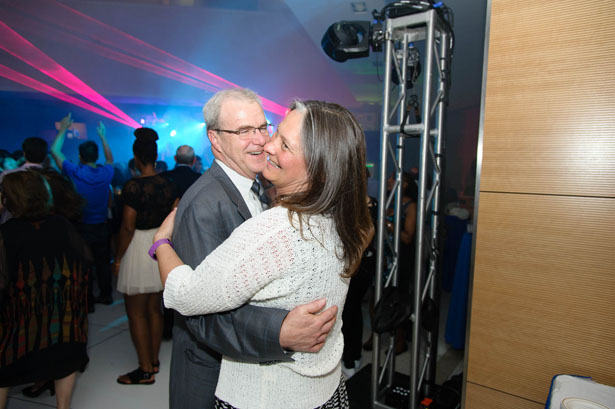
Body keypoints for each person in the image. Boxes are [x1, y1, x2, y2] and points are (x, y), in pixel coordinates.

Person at [154, 99, 373, 408]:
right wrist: (279, 331)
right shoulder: (341, 216)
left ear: (321, 169)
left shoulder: (281, 221)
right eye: (245, 130)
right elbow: (200, 317)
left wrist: (159, 243)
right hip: (321, 389)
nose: (264, 142)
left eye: (265, 130)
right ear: (214, 138)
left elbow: (187, 293)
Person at [0, 170, 89, 409]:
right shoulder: (62, 224)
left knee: (5, 368)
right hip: (63, 312)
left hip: (18, 316)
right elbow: (83, 264)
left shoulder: (7, 233)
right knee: (64, 360)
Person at [114, 128, 178, 385]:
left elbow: (128, 227)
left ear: (136, 157)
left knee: (137, 313)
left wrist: (118, 258)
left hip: (139, 246)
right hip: (161, 246)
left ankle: (144, 369)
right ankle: (154, 361)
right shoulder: (168, 183)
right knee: (154, 309)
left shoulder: (133, 186)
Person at [50, 114, 115, 310]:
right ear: (96, 156)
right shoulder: (106, 173)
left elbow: (54, 151)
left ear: (80, 156)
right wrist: (103, 137)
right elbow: (110, 159)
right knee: (103, 263)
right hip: (101, 225)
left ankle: (87, 301)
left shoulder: (75, 172)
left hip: (82, 226)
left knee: (83, 263)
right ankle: (106, 295)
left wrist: (63, 128)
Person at [0, 137, 49, 224]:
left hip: (11, 224)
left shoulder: (8, 175)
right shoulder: (54, 176)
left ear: (24, 154)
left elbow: (1, 204)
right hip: (45, 225)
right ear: (45, 155)